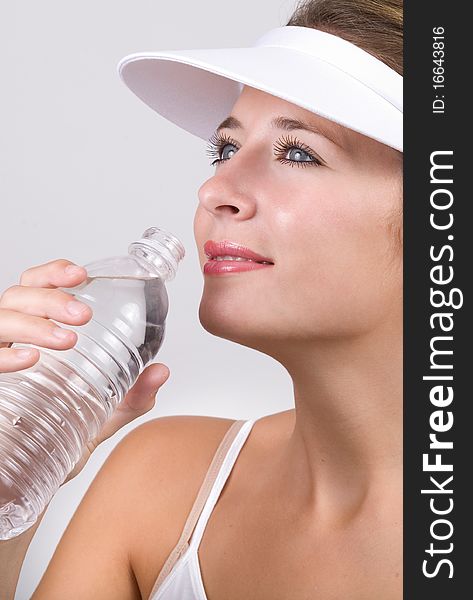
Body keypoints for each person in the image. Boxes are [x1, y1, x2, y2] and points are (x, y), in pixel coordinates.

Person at [0, 0, 403, 598]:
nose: (216, 189)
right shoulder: (161, 486)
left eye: (299, 153)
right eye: (224, 149)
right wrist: (12, 486)